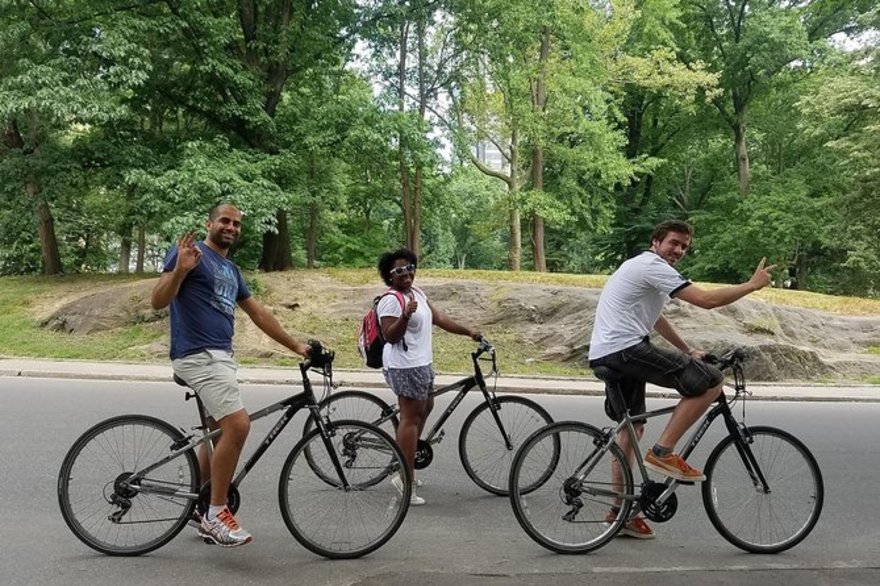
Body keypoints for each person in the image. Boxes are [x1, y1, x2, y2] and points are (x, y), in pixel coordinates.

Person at [588, 219, 774, 539]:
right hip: (625, 349)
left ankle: (620, 514)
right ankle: (663, 452)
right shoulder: (653, 265)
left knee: (632, 428)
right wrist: (751, 285)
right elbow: (706, 300)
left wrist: (687, 350)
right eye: (674, 243)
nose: (679, 250)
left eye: (685, 247)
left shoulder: (639, 267)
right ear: (656, 242)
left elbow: (654, 317)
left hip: (607, 352)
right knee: (711, 381)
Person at [151, 203, 311, 547]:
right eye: (225, 220)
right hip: (198, 355)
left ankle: (200, 505)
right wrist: (179, 272)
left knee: (217, 434)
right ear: (209, 223)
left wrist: (297, 346)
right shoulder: (191, 254)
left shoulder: (231, 270)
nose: (231, 227)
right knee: (238, 425)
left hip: (220, 358)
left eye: (237, 223)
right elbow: (157, 300)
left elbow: (259, 314)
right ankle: (215, 513)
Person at [376, 248, 481, 506]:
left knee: (427, 407)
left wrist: (469, 332)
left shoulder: (417, 293)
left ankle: (407, 459)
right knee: (410, 418)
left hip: (422, 364)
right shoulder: (391, 300)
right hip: (404, 366)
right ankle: (404, 477)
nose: (407, 273)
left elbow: (439, 318)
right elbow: (390, 335)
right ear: (390, 276)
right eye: (399, 270)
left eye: (410, 267)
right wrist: (405, 315)